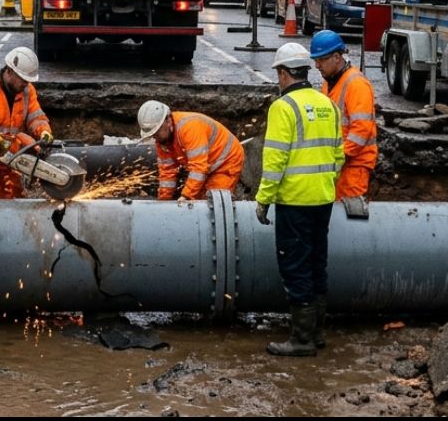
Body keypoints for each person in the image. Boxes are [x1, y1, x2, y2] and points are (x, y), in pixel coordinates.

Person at [255, 42, 343, 356]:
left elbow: (275, 160)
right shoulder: (327, 104)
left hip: (295, 202)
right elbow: (338, 154)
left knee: (295, 267)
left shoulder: (284, 107)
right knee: (317, 264)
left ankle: (302, 340)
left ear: (283, 73)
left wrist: (264, 199)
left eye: (278, 72)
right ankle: (317, 333)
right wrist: (326, 184)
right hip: (323, 199)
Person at [0, 46, 54, 198]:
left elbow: (35, 116)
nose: (26, 84)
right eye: (23, 79)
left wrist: (44, 131)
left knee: (14, 199)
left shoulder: (27, 91)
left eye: (28, 81)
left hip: (11, 160)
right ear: (9, 71)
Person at [310, 30, 378, 208]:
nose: (317, 65)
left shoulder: (356, 84)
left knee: (349, 217)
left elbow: (361, 130)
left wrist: (340, 156)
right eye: (315, 60)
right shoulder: (329, 81)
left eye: (321, 60)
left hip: (354, 166)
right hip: (338, 163)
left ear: (337, 57)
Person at [136, 100, 244, 201]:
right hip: (206, 166)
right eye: (152, 134)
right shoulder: (162, 140)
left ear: (168, 121)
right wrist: (163, 201)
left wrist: (185, 197)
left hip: (226, 161)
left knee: (212, 204)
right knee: (198, 200)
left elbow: (198, 168)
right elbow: (167, 173)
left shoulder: (189, 128)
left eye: (156, 132)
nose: (154, 137)